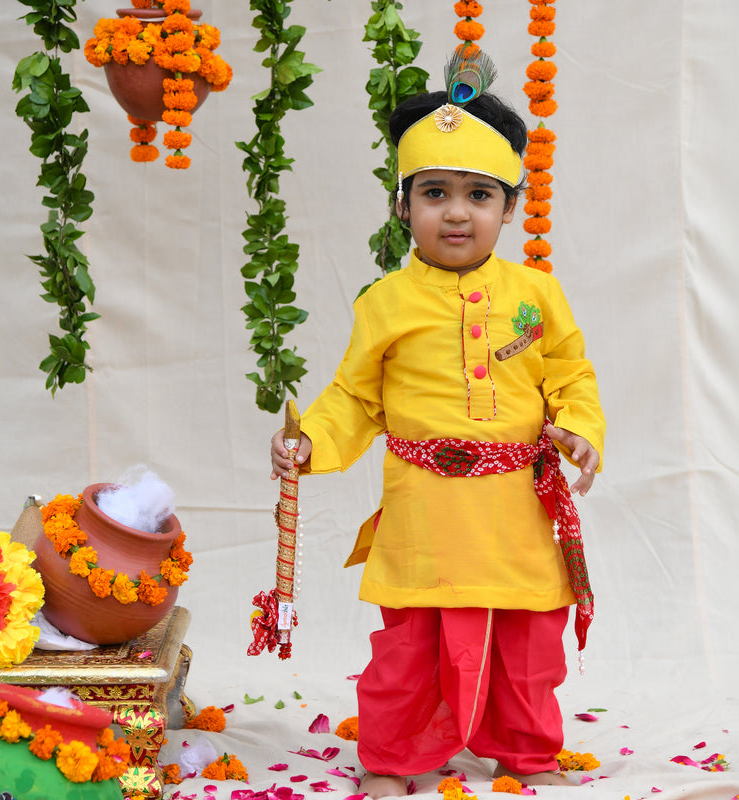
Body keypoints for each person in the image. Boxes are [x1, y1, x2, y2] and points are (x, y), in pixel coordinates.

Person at [270, 50, 605, 798]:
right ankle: (397, 758)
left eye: (479, 195)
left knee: (529, 644)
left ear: (509, 207)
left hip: (517, 509)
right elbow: (355, 399)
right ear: (402, 205)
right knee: (410, 649)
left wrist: (580, 427)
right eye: (435, 192)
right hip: (424, 509)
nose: (457, 211)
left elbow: (571, 378)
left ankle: (523, 748)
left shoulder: (538, 294)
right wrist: (309, 442)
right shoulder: (382, 303)